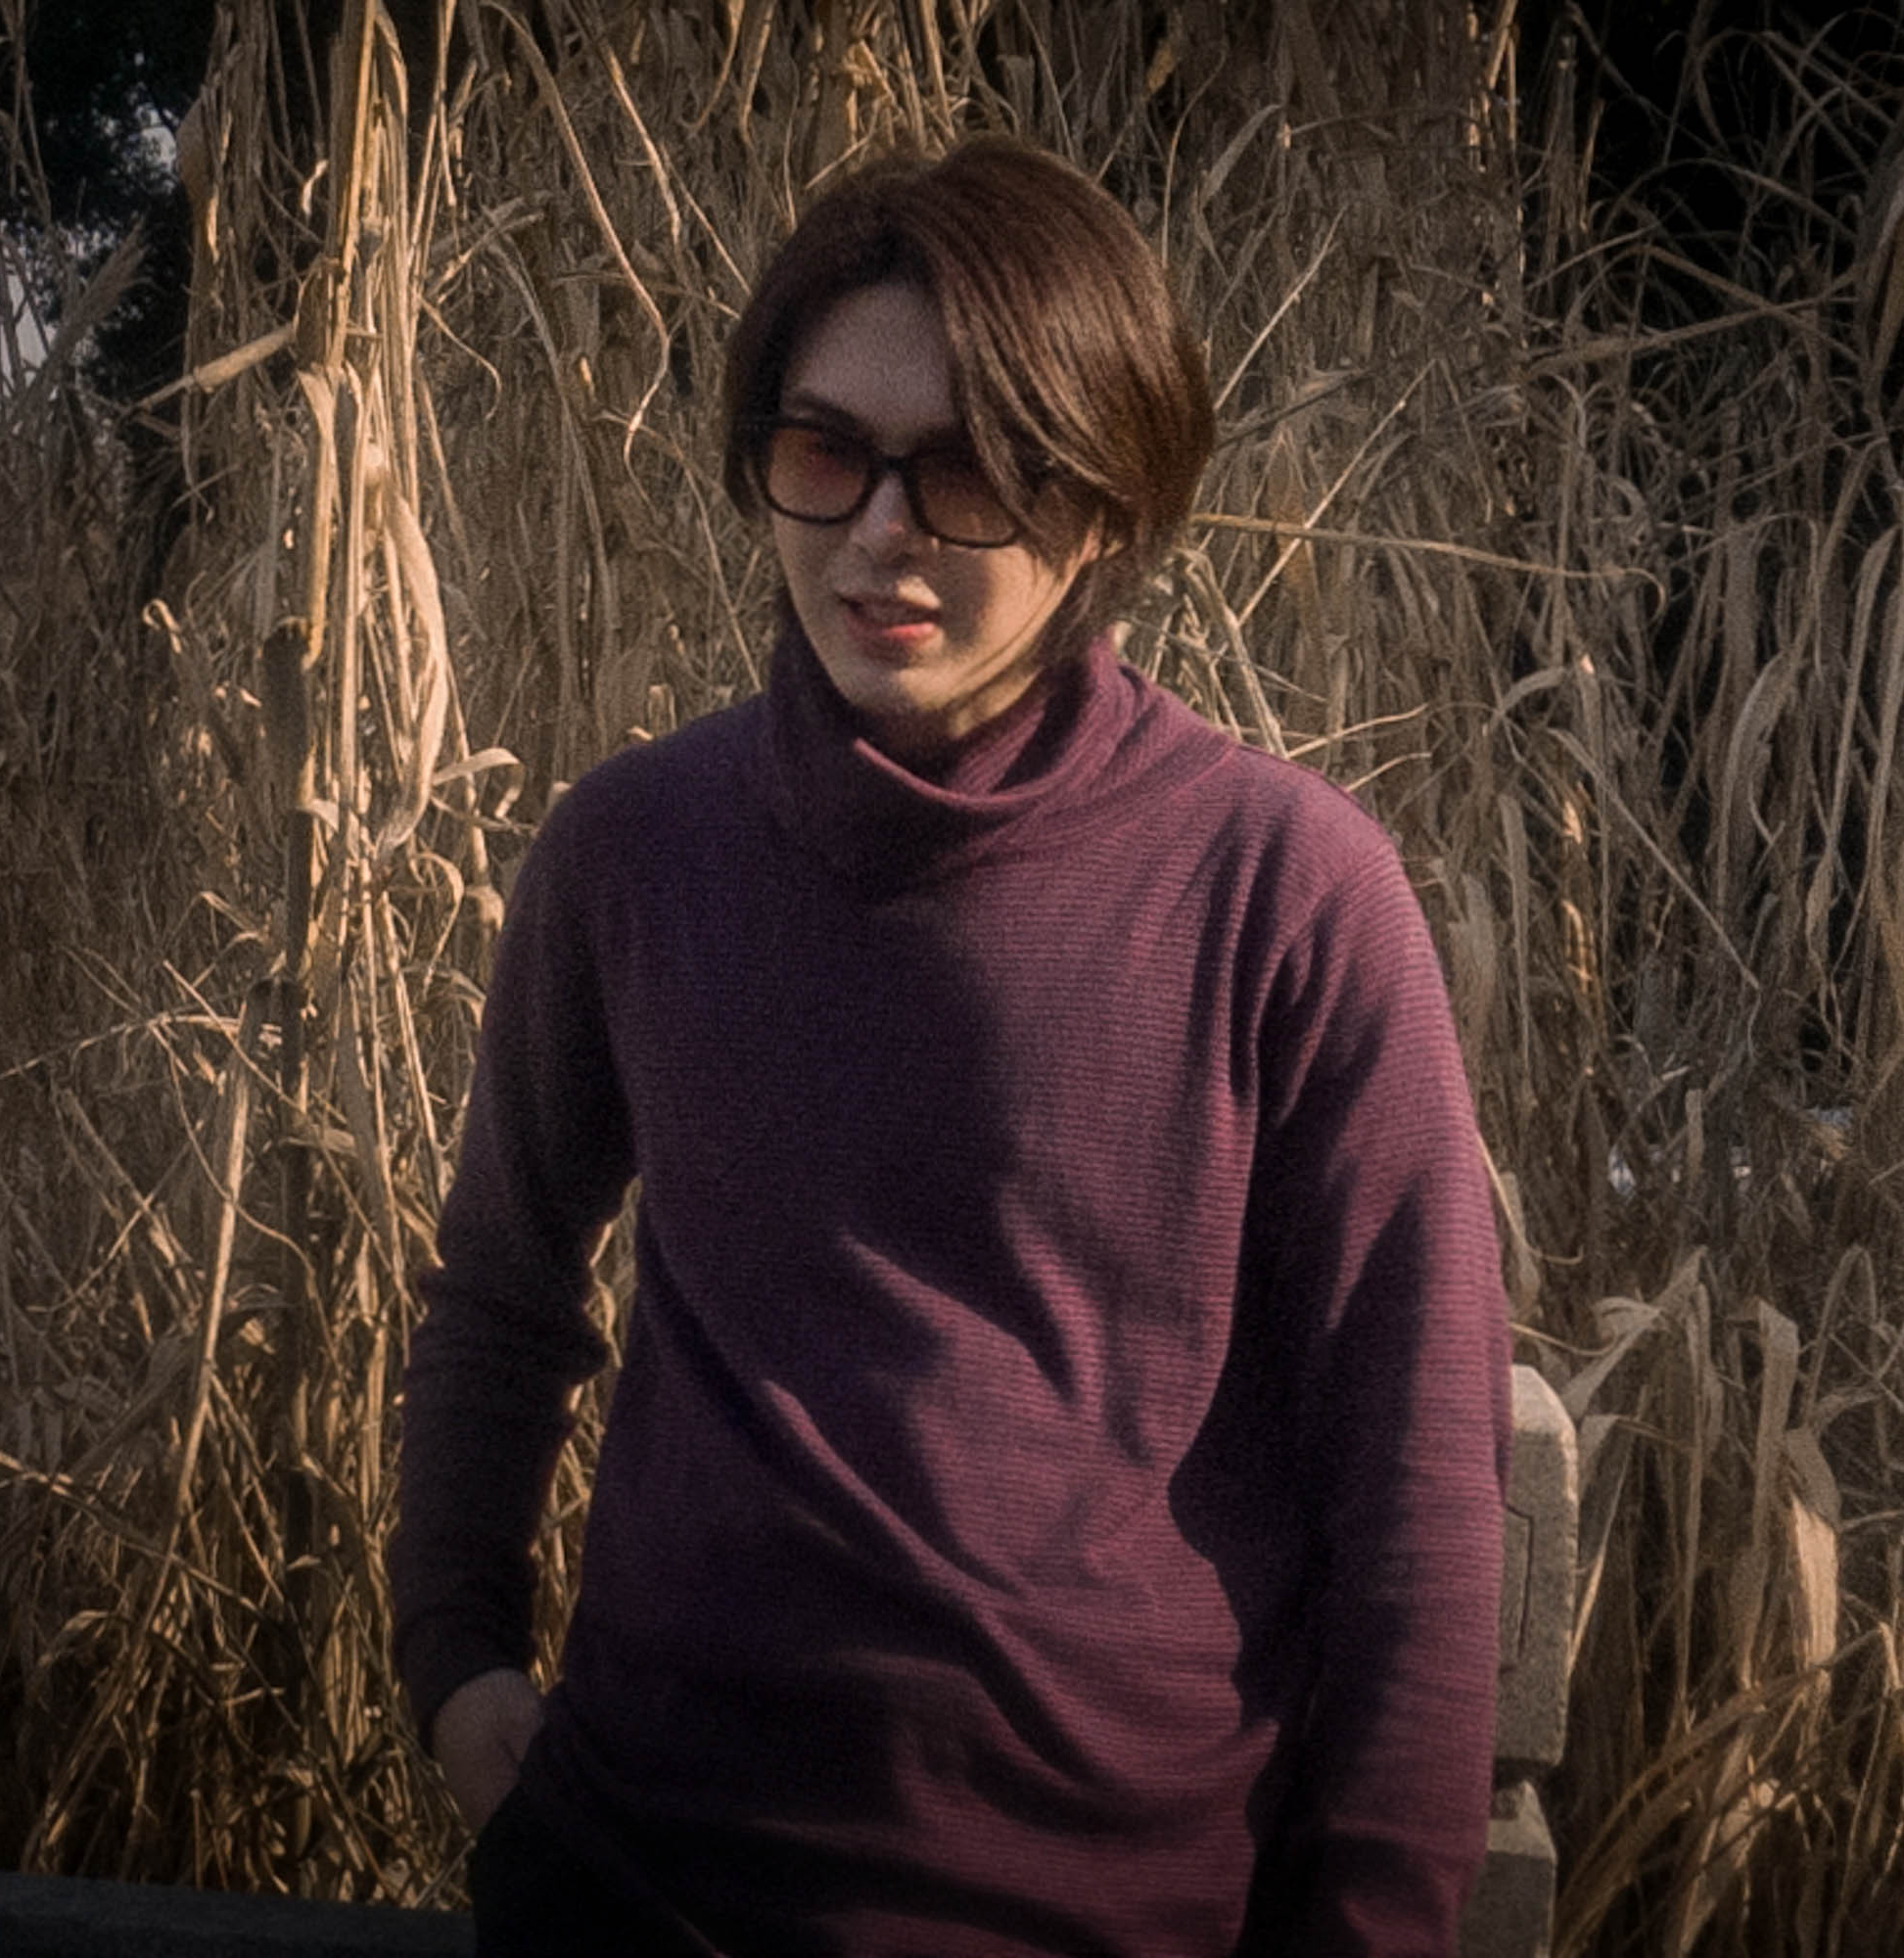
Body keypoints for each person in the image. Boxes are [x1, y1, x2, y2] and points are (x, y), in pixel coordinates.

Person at [390, 134, 1510, 1956]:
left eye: (971, 469)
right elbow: (502, 1290)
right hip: (634, 1892)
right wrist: (455, 1663)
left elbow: (1419, 1476)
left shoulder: (1288, 894)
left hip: (1107, 1916)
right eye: (825, 452)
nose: (881, 533)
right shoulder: (632, 854)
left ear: (1108, 509)